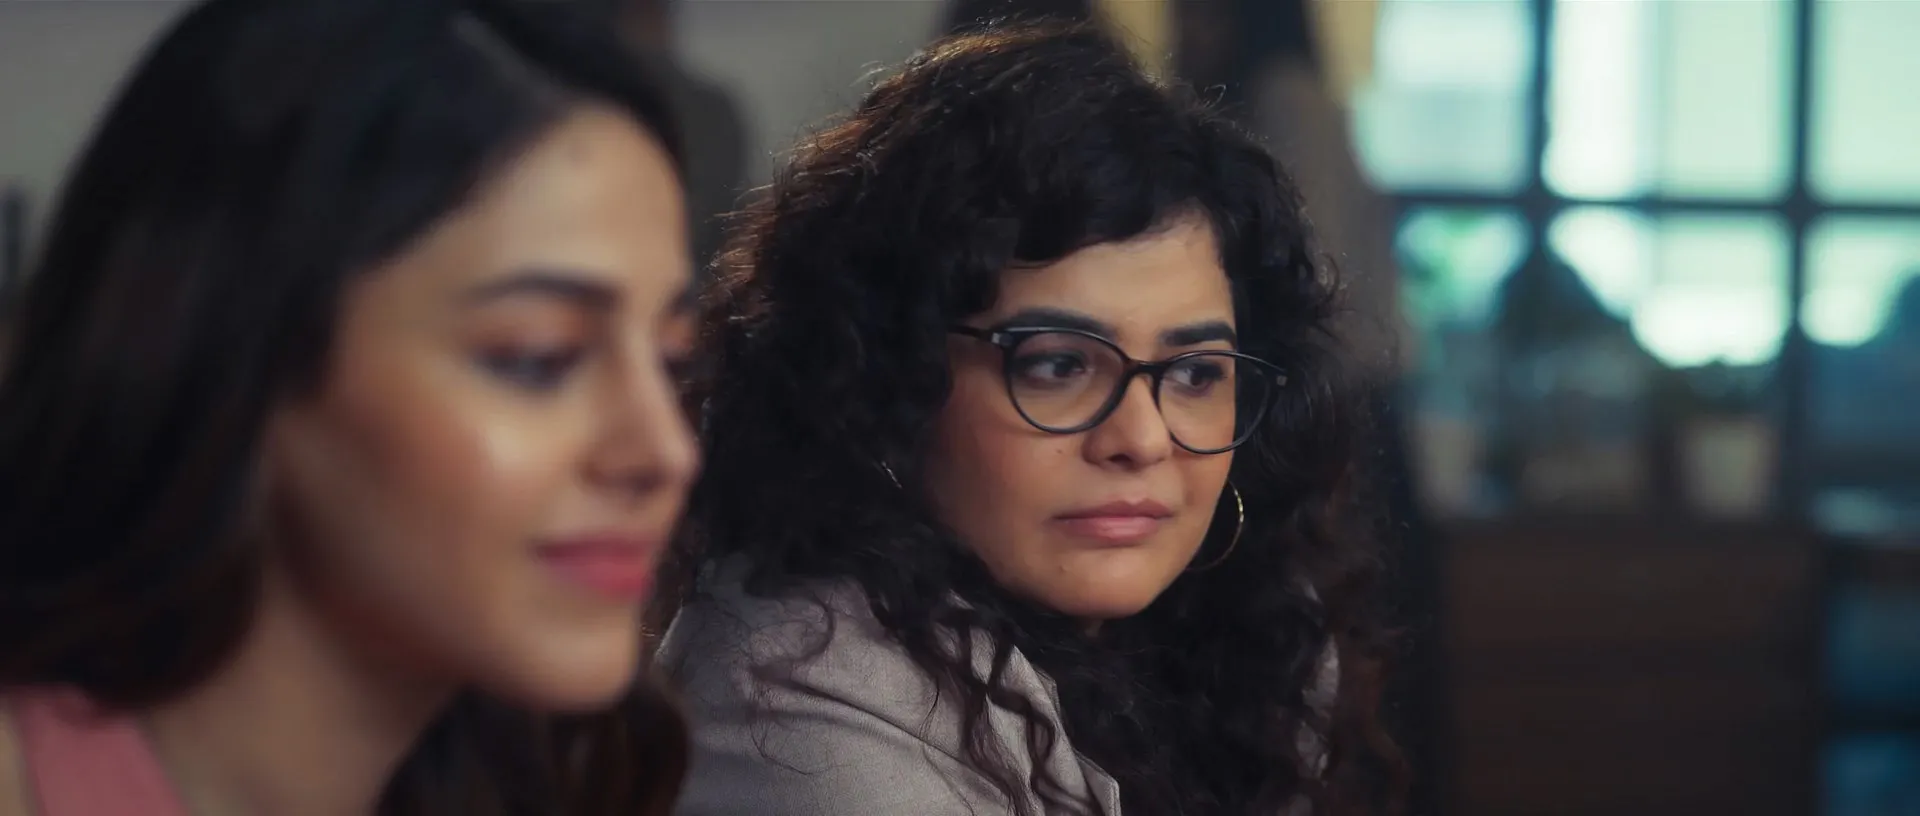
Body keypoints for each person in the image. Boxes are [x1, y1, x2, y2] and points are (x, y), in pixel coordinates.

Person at [657, 22, 1401, 816]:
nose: (1142, 440)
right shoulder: (799, 709)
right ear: (885, 379)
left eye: (1193, 373)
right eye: (1058, 366)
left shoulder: (1245, 647)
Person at [0, 0, 698, 813]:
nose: (666, 452)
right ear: (239, 358)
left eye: (671, 359)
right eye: (537, 358)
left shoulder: (551, 778)